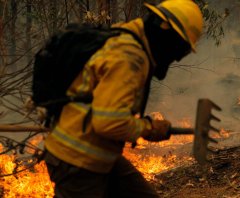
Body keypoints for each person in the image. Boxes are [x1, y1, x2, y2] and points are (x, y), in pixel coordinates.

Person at [43, 0, 203, 197]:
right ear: (169, 35)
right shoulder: (129, 57)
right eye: (181, 49)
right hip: (78, 161)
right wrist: (148, 128)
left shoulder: (128, 38)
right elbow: (108, 123)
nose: (177, 57)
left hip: (100, 154)